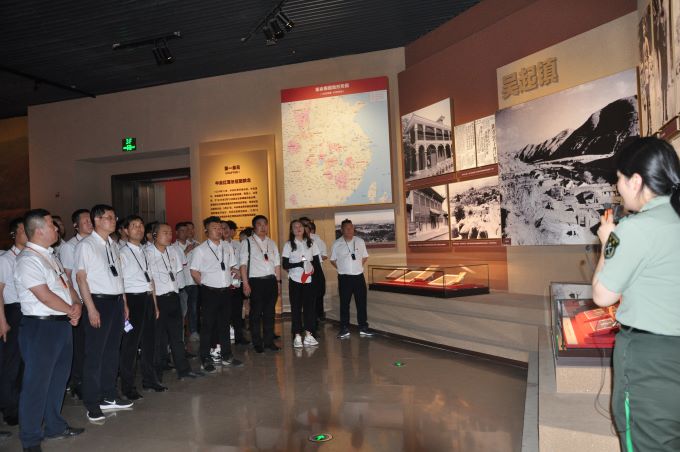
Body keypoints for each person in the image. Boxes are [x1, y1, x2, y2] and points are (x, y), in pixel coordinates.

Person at [591, 137, 680, 452]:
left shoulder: (635, 229)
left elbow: (602, 296)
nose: (617, 187)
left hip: (650, 361)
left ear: (636, 181)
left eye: (619, 179)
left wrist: (608, 243)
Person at [15, 209, 84, 451]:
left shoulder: (50, 255)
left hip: (60, 324)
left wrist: (76, 305)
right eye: (51, 225)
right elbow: (43, 295)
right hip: (40, 327)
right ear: (39, 230)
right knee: (36, 385)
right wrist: (71, 310)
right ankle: (31, 439)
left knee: (58, 380)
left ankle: (54, 425)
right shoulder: (28, 259)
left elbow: (66, 286)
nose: (57, 228)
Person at [75, 204, 132, 423]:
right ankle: (92, 402)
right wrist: (90, 308)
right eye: (109, 217)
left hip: (116, 302)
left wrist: (124, 302)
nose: (113, 221)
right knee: (95, 354)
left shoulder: (113, 244)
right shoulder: (86, 245)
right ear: (97, 220)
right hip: (98, 302)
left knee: (112, 352)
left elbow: (119, 277)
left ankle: (109, 395)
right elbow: (81, 279)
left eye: (114, 217)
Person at [147, 223, 201, 381]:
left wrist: (179, 293)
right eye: (165, 232)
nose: (169, 236)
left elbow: (177, 274)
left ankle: (183, 370)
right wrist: (154, 304)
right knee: (158, 338)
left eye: (170, 233)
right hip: (157, 299)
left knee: (177, 336)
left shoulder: (174, 251)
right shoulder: (147, 253)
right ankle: (155, 374)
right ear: (155, 235)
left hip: (173, 297)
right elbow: (148, 281)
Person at [190, 217, 243, 372]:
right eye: (214, 228)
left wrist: (237, 272)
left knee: (224, 324)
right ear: (206, 230)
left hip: (226, 291)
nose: (219, 231)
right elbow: (194, 271)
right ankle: (205, 358)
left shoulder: (227, 246)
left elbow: (231, 266)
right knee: (207, 326)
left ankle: (226, 355)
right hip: (209, 292)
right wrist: (205, 285)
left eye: (220, 228)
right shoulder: (200, 250)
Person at [118, 215, 161, 399]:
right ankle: (128, 387)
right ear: (125, 231)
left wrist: (155, 304)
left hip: (147, 299)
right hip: (132, 300)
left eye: (141, 225)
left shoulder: (144, 251)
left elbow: (150, 279)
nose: (139, 229)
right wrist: (124, 305)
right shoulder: (121, 253)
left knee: (149, 342)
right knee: (130, 345)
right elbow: (119, 282)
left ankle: (150, 380)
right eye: (134, 226)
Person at [58, 208, 93, 400]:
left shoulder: (95, 243)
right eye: (85, 221)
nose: (89, 223)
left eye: (90, 220)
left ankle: (90, 379)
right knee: (80, 345)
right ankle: (77, 382)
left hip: (95, 299)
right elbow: (67, 277)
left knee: (92, 345)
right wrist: (75, 302)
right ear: (75, 225)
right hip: (80, 301)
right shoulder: (70, 247)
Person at [240, 215, 281, 353]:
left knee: (270, 313)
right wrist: (245, 284)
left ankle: (269, 342)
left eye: (265, 224)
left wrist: (278, 282)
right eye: (259, 224)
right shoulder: (247, 242)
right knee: (256, 313)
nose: (263, 227)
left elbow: (277, 264)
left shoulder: (272, 243)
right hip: (255, 282)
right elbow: (243, 265)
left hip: (271, 281)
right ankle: (257, 342)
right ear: (254, 227)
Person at [0, 218, 27, 427]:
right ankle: (10, 408)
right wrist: (2, 321)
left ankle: (23, 404)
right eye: (23, 230)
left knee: (26, 362)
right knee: (11, 363)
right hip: (13, 311)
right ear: (14, 234)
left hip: (29, 311)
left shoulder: (30, 257)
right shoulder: (6, 260)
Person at [330, 219, 373, 339]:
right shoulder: (337, 243)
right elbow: (332, 260)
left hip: (358, 277)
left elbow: (365, 257)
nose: (349, 230)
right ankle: (344, 328)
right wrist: (342, 268)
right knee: (344, 304)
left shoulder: (360, 241)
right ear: (342, 230)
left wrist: (357, 266)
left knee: (361, 303)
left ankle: (363, 327)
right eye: (346, 228)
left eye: (351, 228)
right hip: (344, 278)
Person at [281, 219, 320, 348]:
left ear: (304, 228)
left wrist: (316, 278)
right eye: (295, 227)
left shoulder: (311, 243)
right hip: (295, 280)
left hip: (309, 280)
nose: (298, 228)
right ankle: (297, 335)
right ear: (291, 230)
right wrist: (299, 264)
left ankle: (309, 334)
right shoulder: (289, 244)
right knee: (296, 308)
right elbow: (285, 264)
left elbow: (316, 263)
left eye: (300, 226)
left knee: (309, 308)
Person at [222, 220, 248, 345]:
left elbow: (243, 261)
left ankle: (239, 337)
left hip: (237, 282)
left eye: (227, 227)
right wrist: (233, 270)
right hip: (224, 284)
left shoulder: (238, 244)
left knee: (237, 311)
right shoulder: (219, 246)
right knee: (225, 312)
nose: (225, 230)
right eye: (222, 228)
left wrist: (241, 274)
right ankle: (224, 338)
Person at [173, 222, 199, 341]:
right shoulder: (173, 247)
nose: (186, 233)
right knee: (181, 311)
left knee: (193, 309)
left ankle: (193, 332)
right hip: (181, 284)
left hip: (193, 282)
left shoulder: (195, 245)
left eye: (187, 230)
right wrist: (186, 251)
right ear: (177, 232)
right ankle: (180, 335)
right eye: (182, 231)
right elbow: (174, 264)